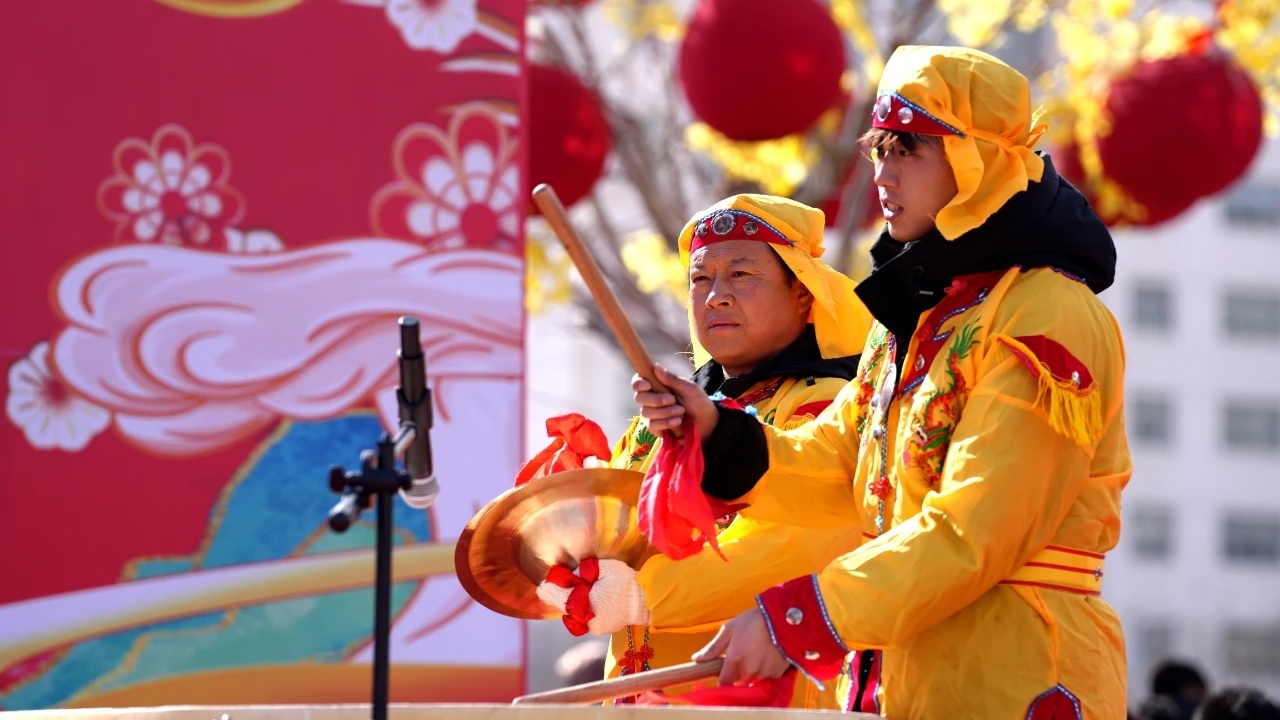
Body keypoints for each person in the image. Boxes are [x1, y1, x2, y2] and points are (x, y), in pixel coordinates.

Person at [632, 45, 1130, 718]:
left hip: (1013, 674)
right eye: (879, 152)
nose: (883, 176)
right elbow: (839, 469)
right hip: (896, 676)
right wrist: (716, 431)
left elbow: (976, 529)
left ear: (976, 160)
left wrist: (800, 617)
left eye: (908, 152)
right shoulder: (915, 322)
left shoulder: (1046, 313)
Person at [536, 194, 874, 709]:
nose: (715, 296)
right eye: (700, 279)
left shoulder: (826, 406)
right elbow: (613, 542)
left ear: (803, 295)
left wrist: (639, 594)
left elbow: (790, 547)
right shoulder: (657, 423)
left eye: (741, 275)